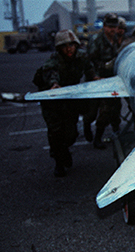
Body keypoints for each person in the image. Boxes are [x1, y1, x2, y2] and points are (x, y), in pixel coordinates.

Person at [32, 29, 97, 177]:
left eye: (72, 45)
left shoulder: (81, 57)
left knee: (71, 134)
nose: (69, 49)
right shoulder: (53, 61)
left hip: (69, 98)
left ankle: (63, 150)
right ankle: (58, 163)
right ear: (59, 48)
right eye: (65, 46)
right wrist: (54, 84)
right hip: (52, 100)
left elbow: (89, 68)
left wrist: (94, 78)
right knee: (55, 132)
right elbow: (51, 74)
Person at [88, 12, 122, 149]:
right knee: (100, 111)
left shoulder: (116, 39)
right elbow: (89, 62)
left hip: (112, 79)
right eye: (109, 26)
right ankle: (96, 137)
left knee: (116, 107)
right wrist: (94, 76)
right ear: (104, 26)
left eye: (114, 26)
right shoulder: (97, 40)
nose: (112, 29)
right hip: (99, 79)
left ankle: (116, 132)